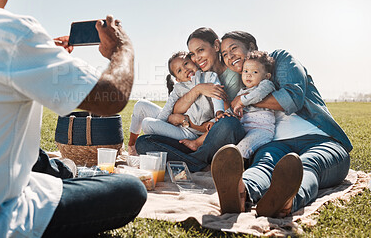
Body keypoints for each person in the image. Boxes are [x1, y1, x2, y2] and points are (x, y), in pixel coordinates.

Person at [0, 0, 147, 237]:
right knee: (130, 188)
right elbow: (111, 97)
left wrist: (41, 56)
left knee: (48, 165)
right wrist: (123, 49)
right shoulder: (9, 33)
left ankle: (63, 172)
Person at [211, 31, 351, 217]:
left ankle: (287, 199)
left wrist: (245, 100)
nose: (229, 57)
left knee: (307, 164)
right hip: (275, 143)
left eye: (233, 49)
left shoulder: (280, 59)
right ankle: (241, 191)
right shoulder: (243, 84)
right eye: (224, 54)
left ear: (252, 47)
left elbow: (292, 99)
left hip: (319, 138)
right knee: (263, 165)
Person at [135, 27, 247, 172]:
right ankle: (198, 163)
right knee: (144, 142)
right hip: (192, 141)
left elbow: (223, 119)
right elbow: (175, 110)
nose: (197, 58)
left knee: (229, 123)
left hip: (213, 139)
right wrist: (198, 89)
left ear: (216, 46)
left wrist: (186, 122)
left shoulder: (231, 76)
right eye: (192, 54)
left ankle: (192, 161)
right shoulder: (196, 78)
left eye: (201, 50)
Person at [128, 51, 225, 154]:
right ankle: (132, 146)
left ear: (193, 62)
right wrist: (161, 125)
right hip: (176, 123)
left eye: (186, 63)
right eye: (179, 70)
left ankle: (155, 147)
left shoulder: (209, 77)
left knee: (147, 123)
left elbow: (217, 95)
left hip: (190, 132)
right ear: (177, 79)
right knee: (141, 105)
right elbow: (167, 108)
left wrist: (219, 112)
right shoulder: (179, 88)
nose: (185, 69)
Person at [233, 50, 276, 161]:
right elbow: (234, 108)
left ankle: (233, 168)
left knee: (242, 148)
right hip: (244, 128)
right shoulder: (241, 92)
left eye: (255, 72)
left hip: (261, 129)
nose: (249, 75)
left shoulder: (266, 85)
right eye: (245, 71)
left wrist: (242, 101)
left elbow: (257, 95)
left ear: (266, 76)